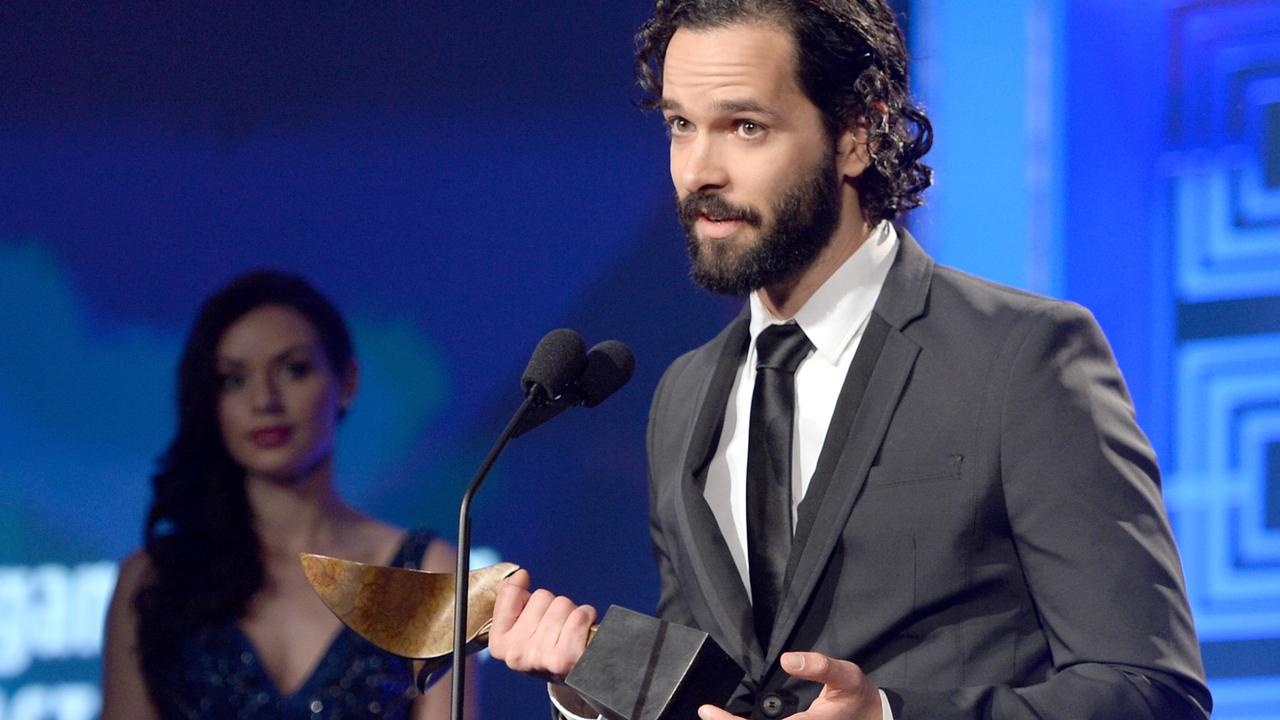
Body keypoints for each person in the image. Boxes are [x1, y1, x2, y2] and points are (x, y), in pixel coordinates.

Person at [488, 1, 1212, 719]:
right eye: (681, 125)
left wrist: (890, 717)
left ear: (859, 133)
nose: (699, 171)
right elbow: (717, 694)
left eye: (745, 127)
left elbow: (1152, 691)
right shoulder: (686, 393)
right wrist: (589, 680)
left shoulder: (1022, 354)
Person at [101, 270, 476, 719]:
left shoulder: (427, 572)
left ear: (348, 381)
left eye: (293, 370)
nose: (265, 400)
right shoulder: (152, 581)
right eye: (233, 379)